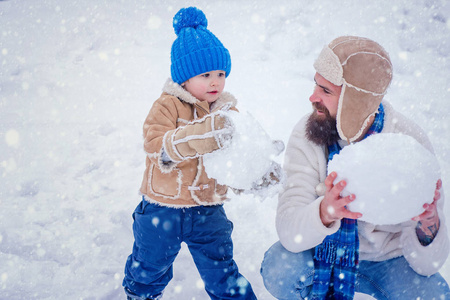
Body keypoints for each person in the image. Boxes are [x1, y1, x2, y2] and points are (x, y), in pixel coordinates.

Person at [260, 36, 450, 299]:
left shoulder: (407, 143)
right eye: (316, 85)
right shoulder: (308, 134)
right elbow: (290, 233)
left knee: (435, 295)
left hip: (389, 261)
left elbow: (428, 265)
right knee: (279, 267)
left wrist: (428, 227)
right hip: (321, 250)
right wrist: (325, 212)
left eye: (326, 91)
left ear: (355, 100)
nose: (313, 97)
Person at [122, 7, 259, 300]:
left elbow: (239, 154)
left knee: (221, 269)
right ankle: (140, 295)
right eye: (206, 74)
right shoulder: (168, 105)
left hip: (208, 209)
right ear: (184, 78)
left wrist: (256, 171)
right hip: (163, 207)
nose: (215, 82)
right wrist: (194, 138)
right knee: (149, 265)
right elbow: (154, 144)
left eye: (221, 74)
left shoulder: (226, 112)